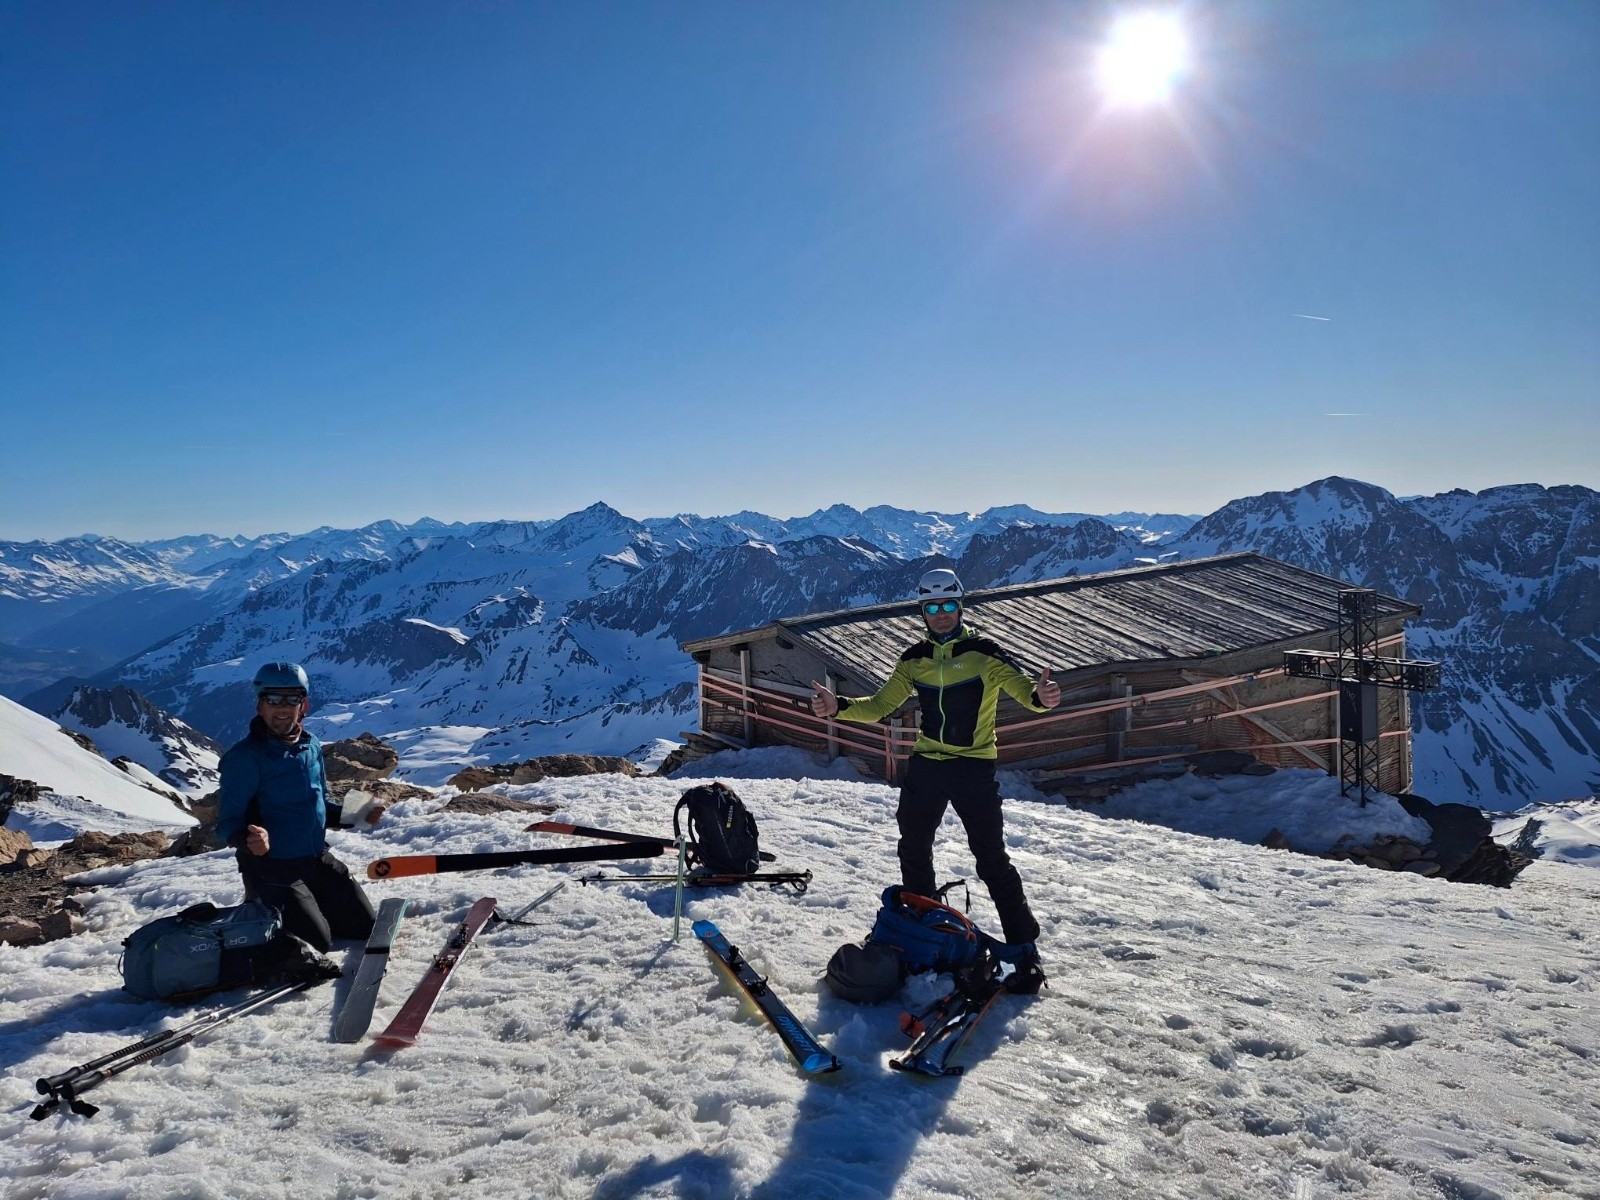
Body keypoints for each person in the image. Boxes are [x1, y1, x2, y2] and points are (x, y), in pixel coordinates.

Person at [810, 569, 1060, 993]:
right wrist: (840, 707)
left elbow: (1026, 693)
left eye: (947, 605)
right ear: (922, 612)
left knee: (991, 859)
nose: (940, 614)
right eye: (931, 607)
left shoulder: (985, 653)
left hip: (973, 766)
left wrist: (1043, 699)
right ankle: (923, 932)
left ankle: (1024, 950)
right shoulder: (914, 659)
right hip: (927, 764)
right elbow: (881, 705)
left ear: (960, 607)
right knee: (913, 847)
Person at [216, 661, 380, 952]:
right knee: (317, 944)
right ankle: (262, 903)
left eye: (291, 699)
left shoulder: (311, 746)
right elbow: (227, 822)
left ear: (303, 705)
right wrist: (248, 839)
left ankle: (307, 906)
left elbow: (319, 805)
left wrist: (359, 813)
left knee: (364, 927)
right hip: (272, 868)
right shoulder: (244, 758)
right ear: (259, 705)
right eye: (273, 699)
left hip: (316, 858)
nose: (282, 707)